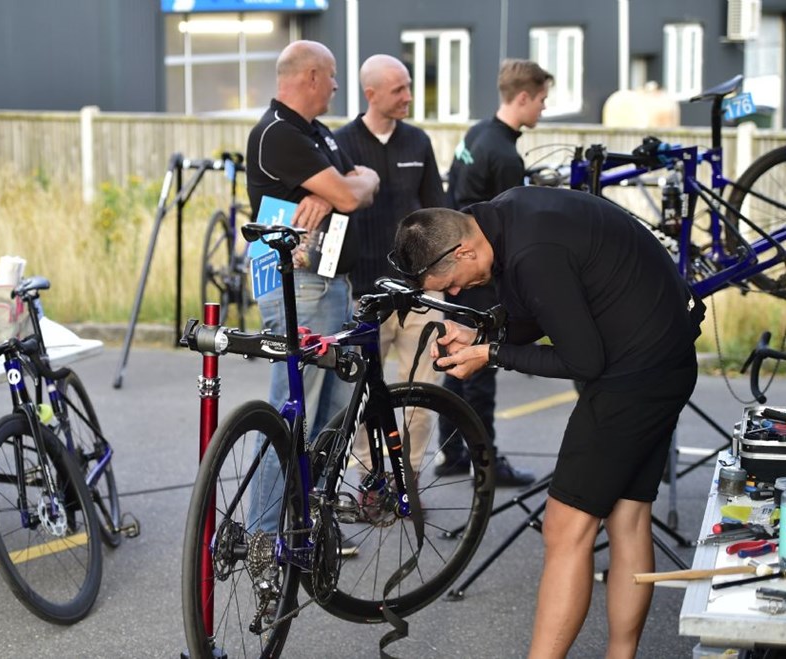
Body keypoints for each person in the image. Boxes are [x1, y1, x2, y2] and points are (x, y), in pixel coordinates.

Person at [391, 185, 704, 657]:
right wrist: (480, 330)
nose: (457, 292)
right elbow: (547, 309)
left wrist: (493, 353)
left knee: (565, 527)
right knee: (627, 515)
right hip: (663, 355)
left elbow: (584, 361)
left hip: (635, 374)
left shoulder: (534, 252)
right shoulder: (506, 215)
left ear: (464, 248)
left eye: (452, 283)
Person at [245, 40, 380, 536]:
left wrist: (339, 195)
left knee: (332, 416)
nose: (338, 85)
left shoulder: (316, 133)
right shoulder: (278, 134)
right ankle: (262, 534)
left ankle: (307, 523)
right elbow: (350, 190)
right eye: (332, 76)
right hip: (302, 286)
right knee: (294, 416)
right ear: (310, 77)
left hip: (330, 284)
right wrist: (341, 194)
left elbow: (367, 180)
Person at [435, 58, 553, 487]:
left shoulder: (477, 133)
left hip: (454, 259)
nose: (543, 108)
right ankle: (486, 462)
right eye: (541, 100)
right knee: (479, 367)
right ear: (522, 97)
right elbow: (510, 228)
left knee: (453, 360)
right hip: (479, 270)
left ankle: (450, 453)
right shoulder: (505, 156)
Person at [332, 54, 445, 483]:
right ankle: (367, 479)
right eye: (399, 90)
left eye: (409, 86)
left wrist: (442, 277)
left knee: (423, 387)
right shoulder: (341, 144)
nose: (409, 97)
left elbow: (438, 210)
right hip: (363, 291)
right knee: (361, 394)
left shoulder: (418, 142)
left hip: (419, 290)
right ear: (371, 93)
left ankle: (408, 476)